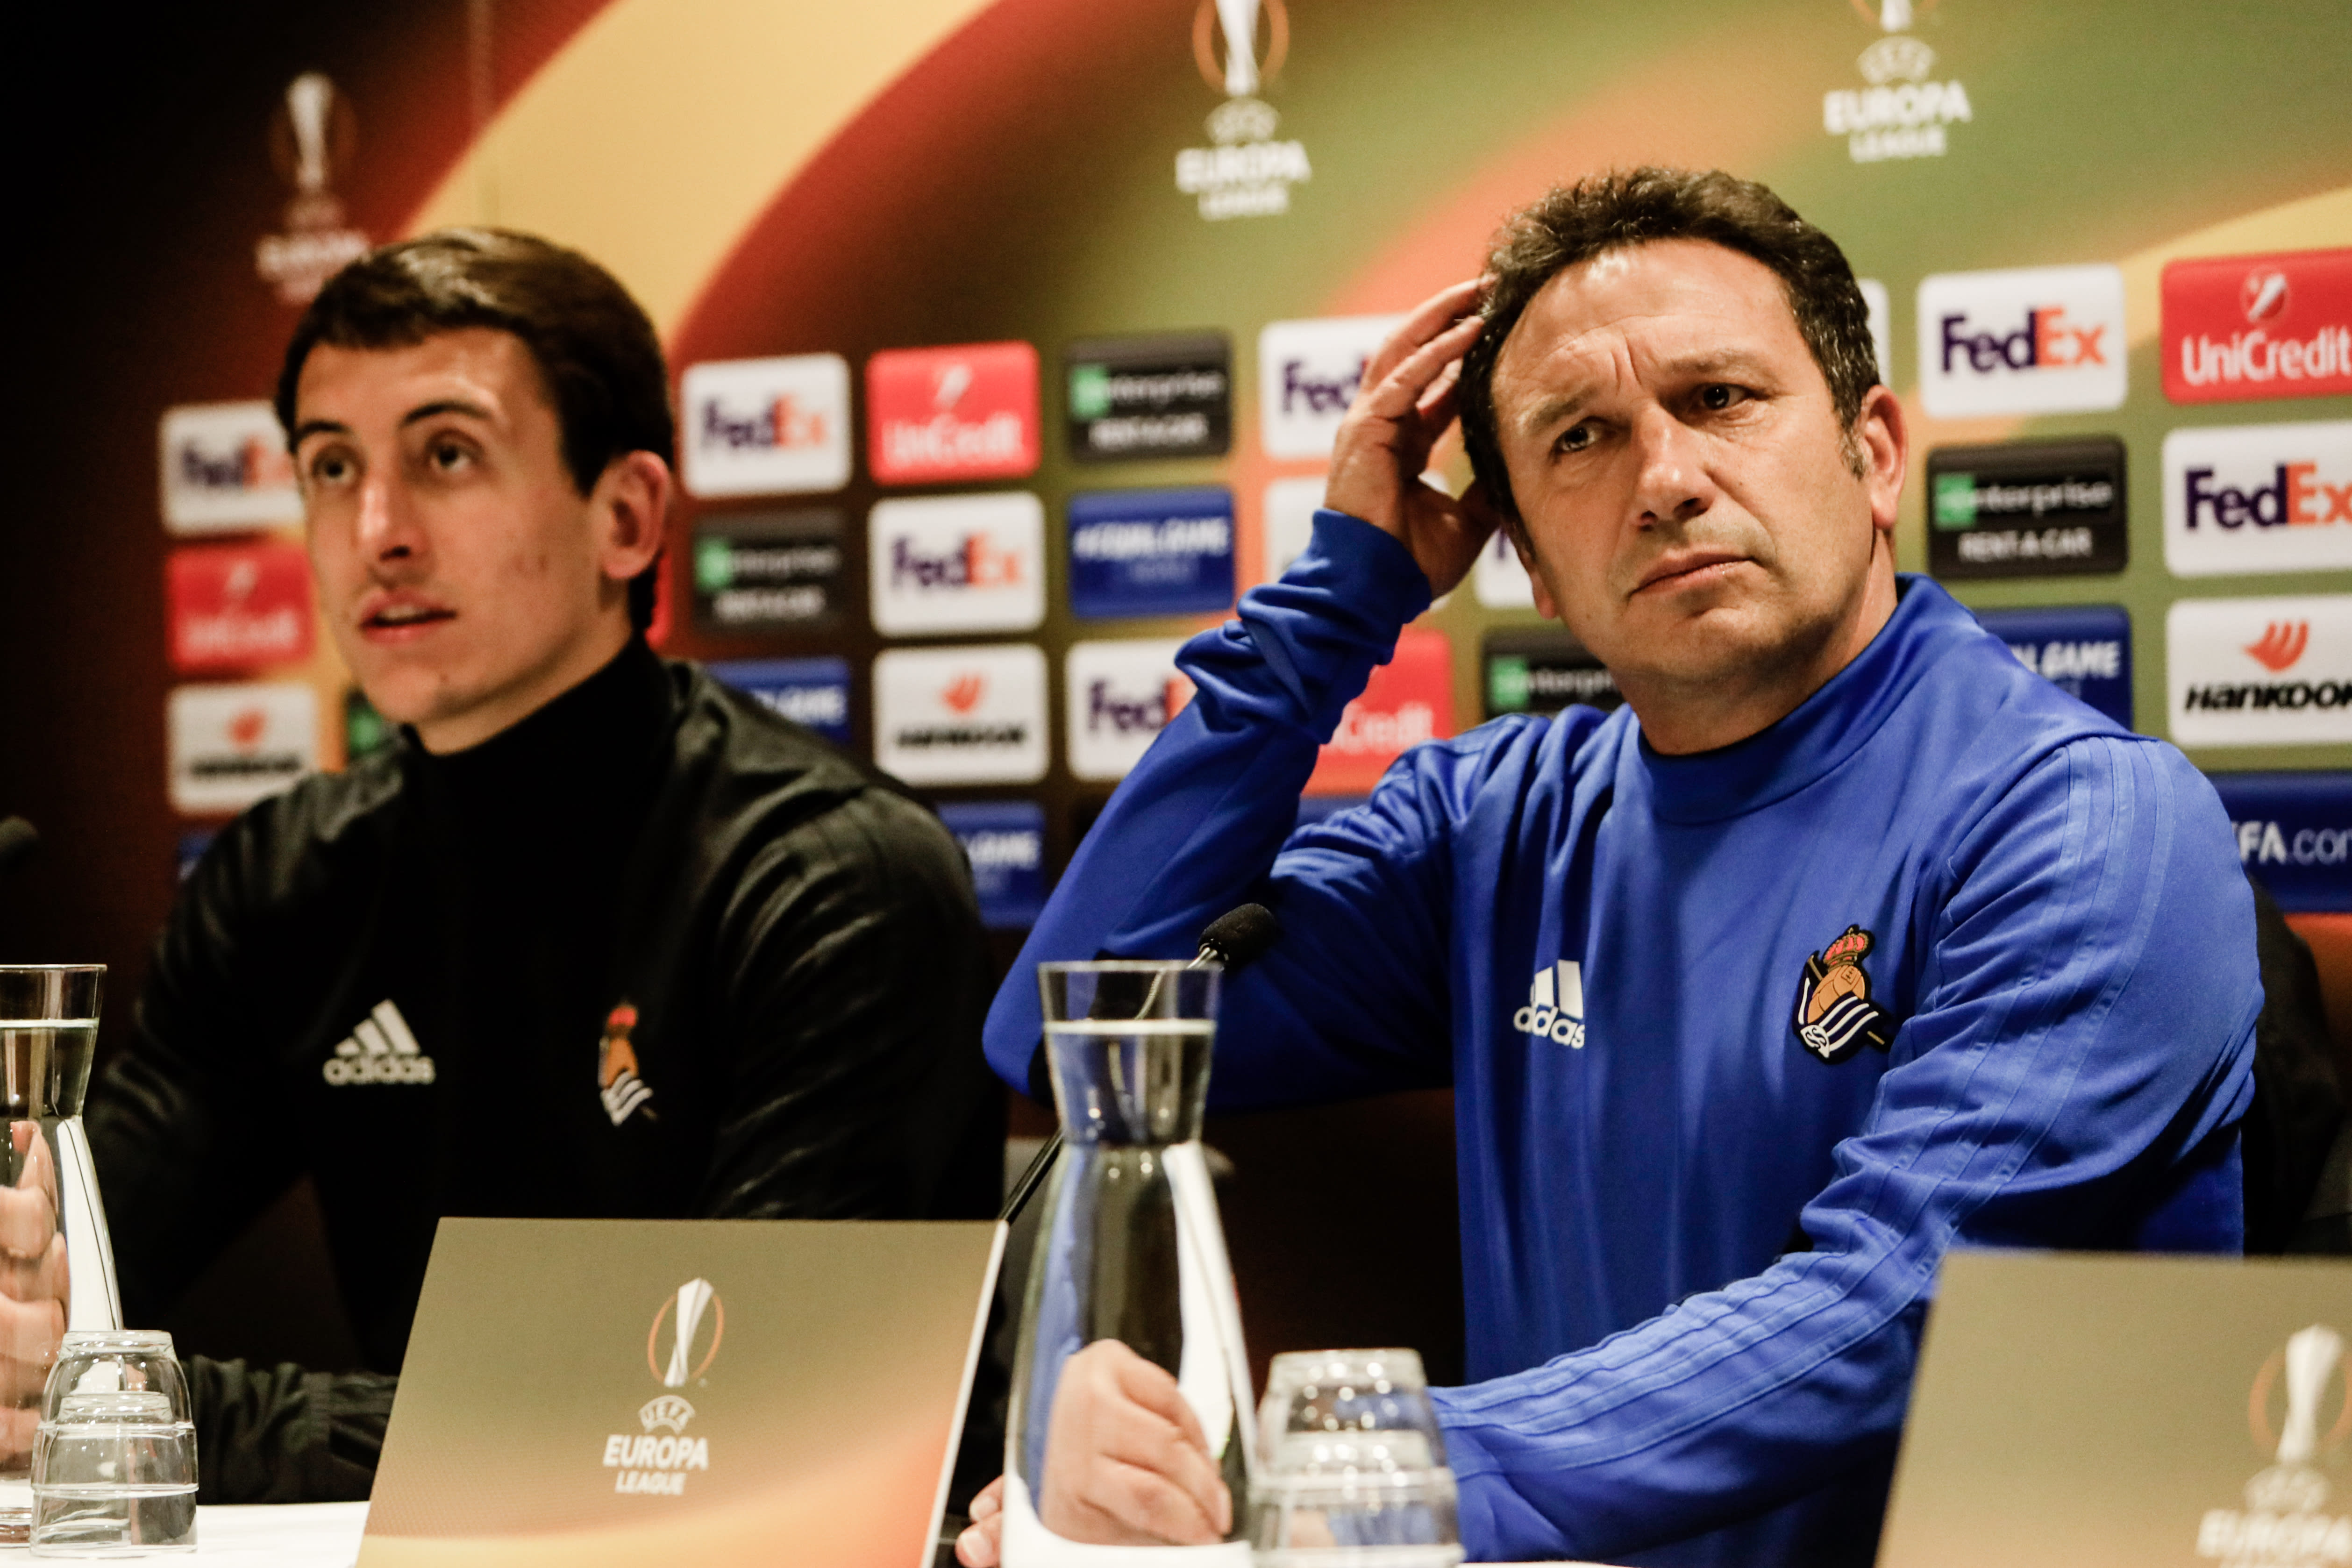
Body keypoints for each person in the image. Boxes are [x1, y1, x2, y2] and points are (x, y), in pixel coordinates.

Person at [958, 169, 2256, 1568]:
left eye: (1721, 398)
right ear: (1529, 560)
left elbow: (1889, 1307)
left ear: (1874, 454)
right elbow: (1067, 1033)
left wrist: (1351, 1470)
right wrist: (1336, 604)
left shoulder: (2087, 822)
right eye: (1580, 437)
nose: (1667, 480)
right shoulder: (1492, 821)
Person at [29, 230, 1002, 1500]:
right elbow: (78, 1260)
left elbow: (726, 1405)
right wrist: (23, 1317)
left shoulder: (828, 881)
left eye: (447, 455)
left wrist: (149, 1411)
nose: (377, 532)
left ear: (627, 517)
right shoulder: (285, 880)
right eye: (332, 467)